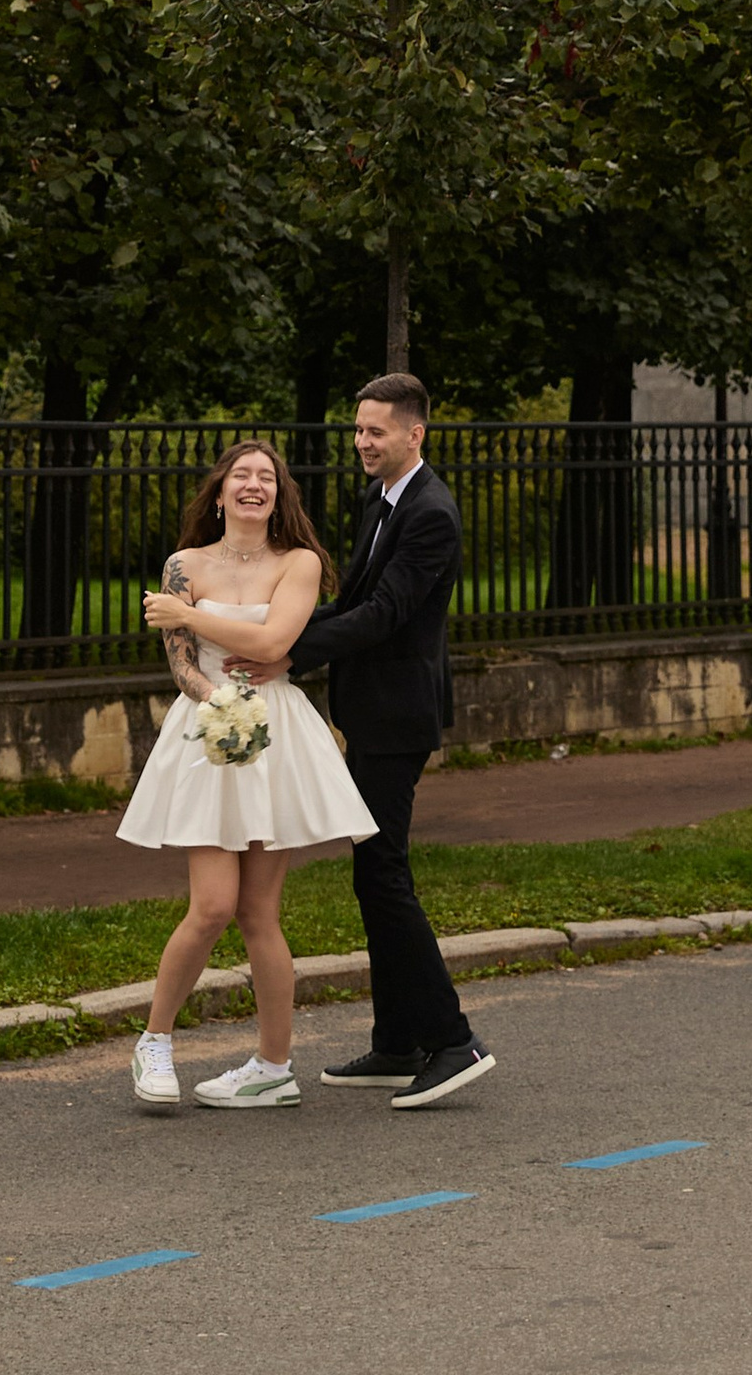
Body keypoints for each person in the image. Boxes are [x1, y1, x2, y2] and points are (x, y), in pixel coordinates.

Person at [121, 436, 374, 1112]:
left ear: (279, 493)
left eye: (267, 475)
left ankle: (272, 1063)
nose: (254, 484)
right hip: (210, 730)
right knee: (211, 905)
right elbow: (181, 665)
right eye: (243, 474)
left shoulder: (300, 562)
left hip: (278, 735)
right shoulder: (184, 563)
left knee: (260, 910)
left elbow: (272, 644)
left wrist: (187, 613)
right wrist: (220, 704)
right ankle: (154, 1040)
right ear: (221, 488)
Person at [283, 373, 495, 1110]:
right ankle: (398, 1042)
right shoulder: (383, 498)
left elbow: (387, 613)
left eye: (376, 431)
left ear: (416, 434)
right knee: (371, 871)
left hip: (398, 717)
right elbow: (356, 598)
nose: (362, 442)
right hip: (371, 712)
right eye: (358, 428)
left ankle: (453, 1038)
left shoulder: (431, 511)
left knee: (384, 873)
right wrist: (292, 624)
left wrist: (288, 651)